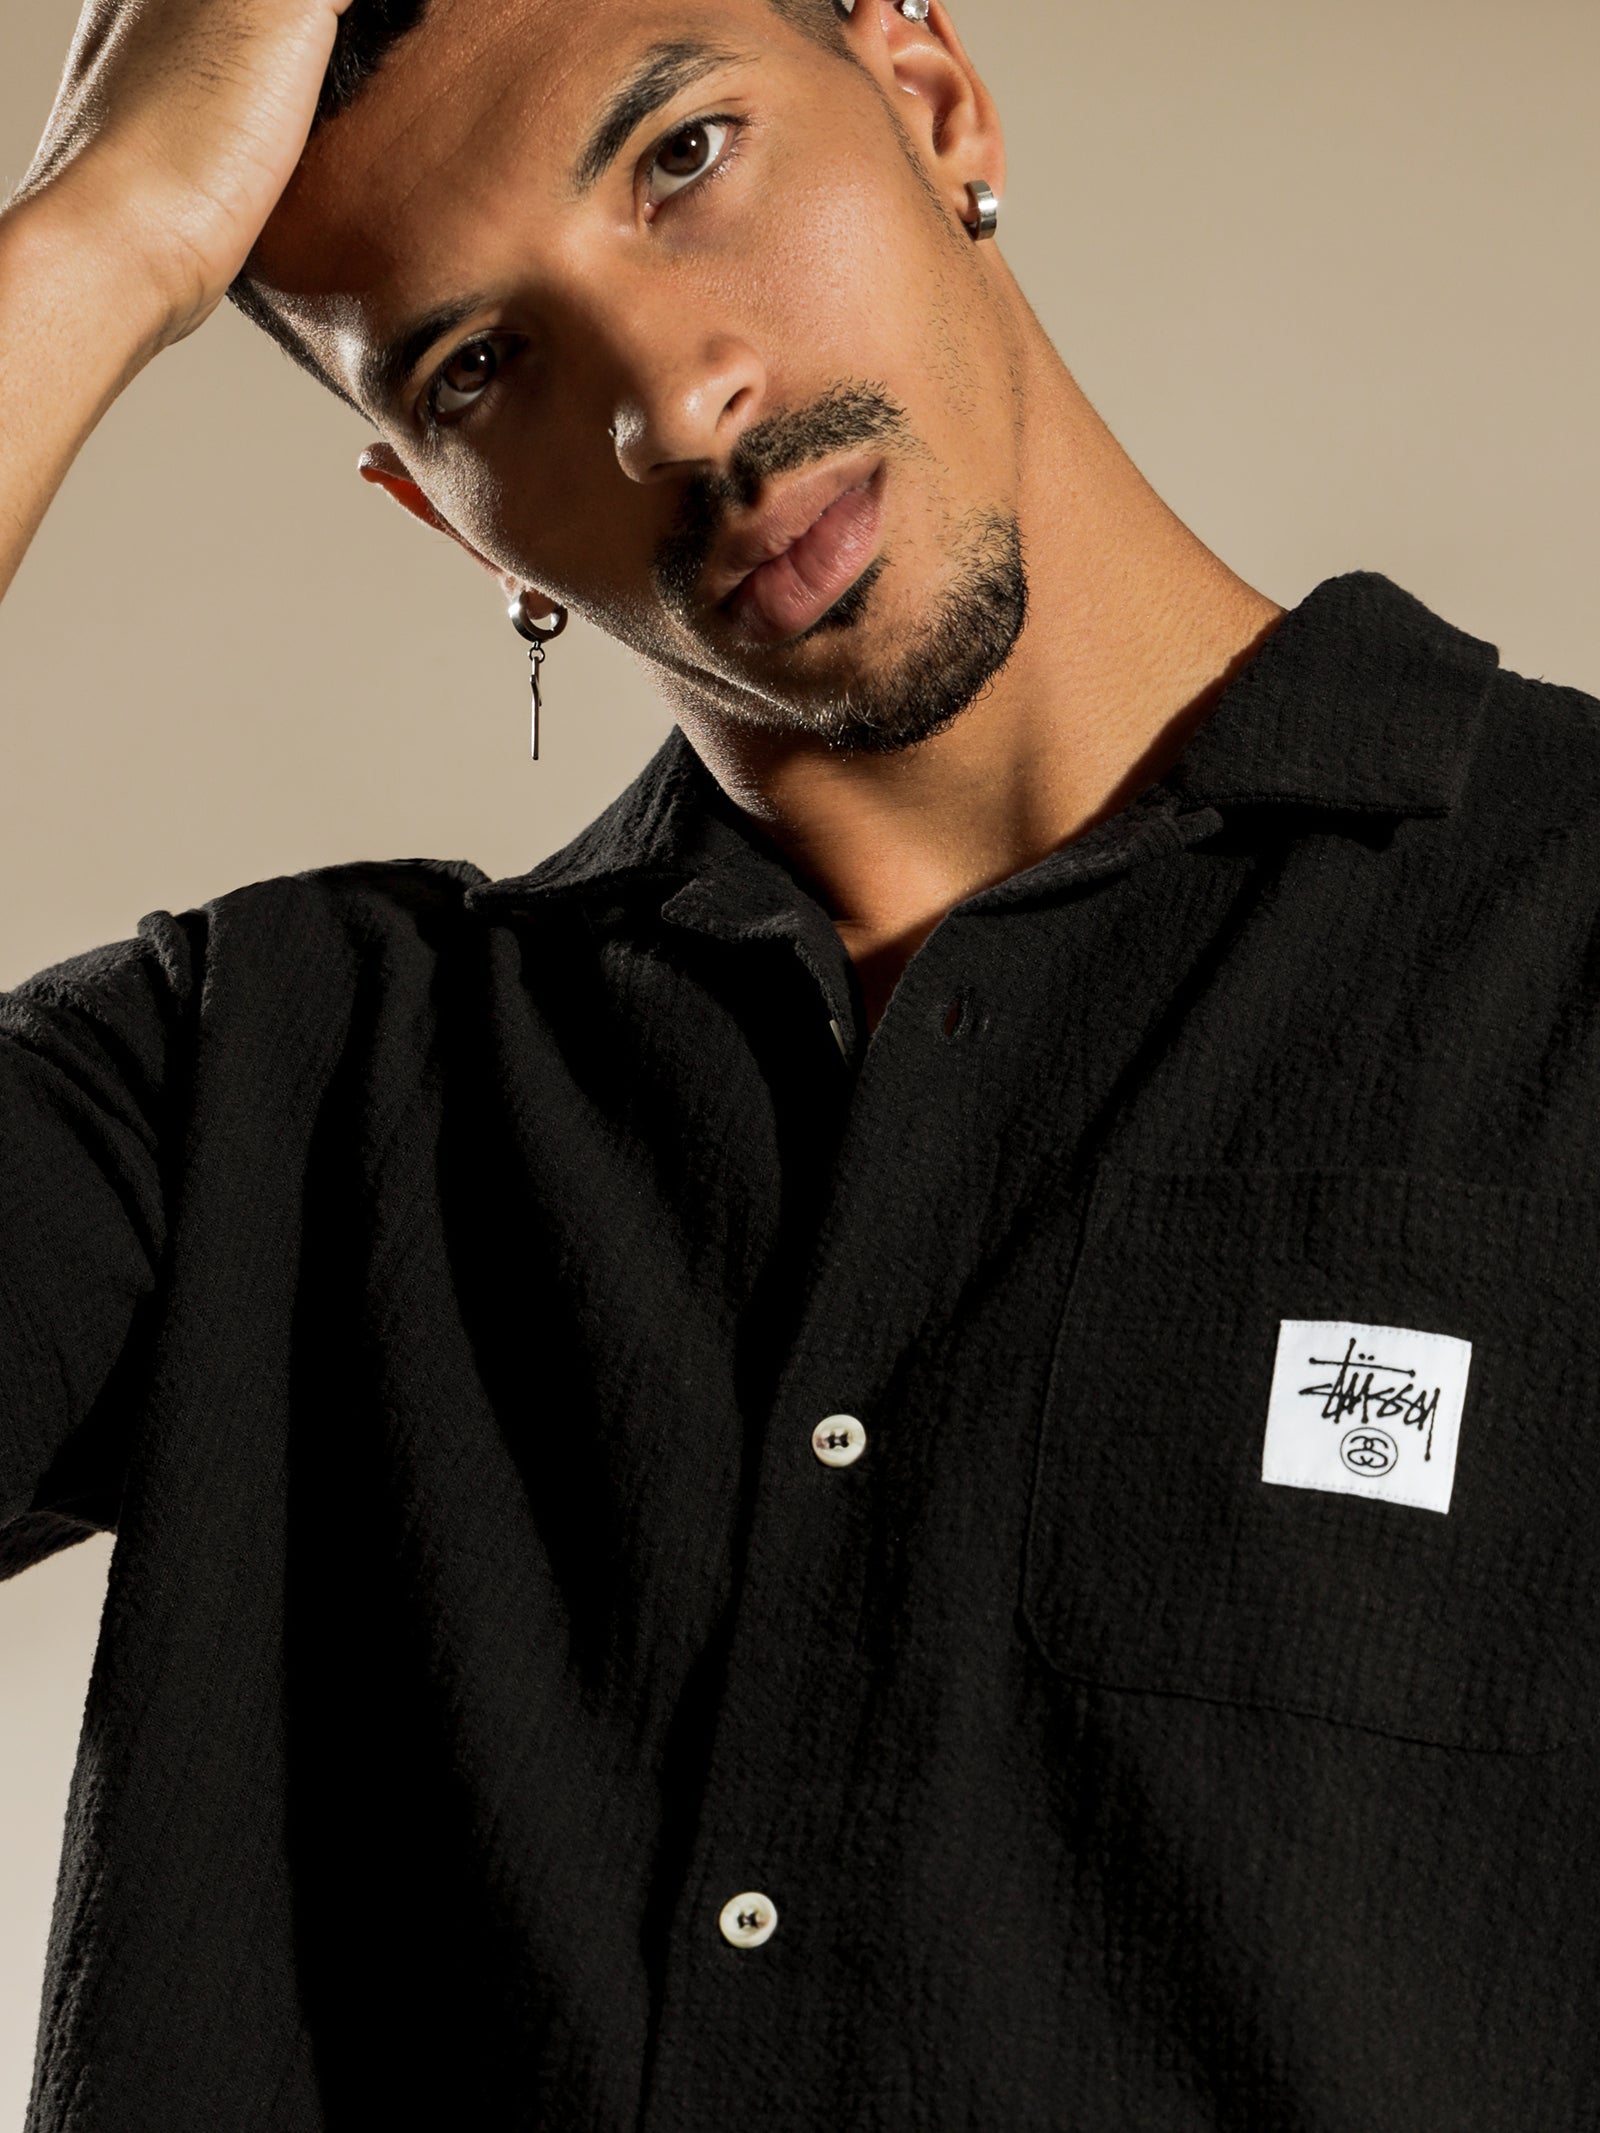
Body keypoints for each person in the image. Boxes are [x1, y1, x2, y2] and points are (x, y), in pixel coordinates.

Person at [2, 0, 1597, 2125]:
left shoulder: (1563, 933)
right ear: (441, 516)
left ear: (930, 98)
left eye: (681, 159)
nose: (675, 403)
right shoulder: (262, 1089)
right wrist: (100, 237)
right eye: (478, 365)